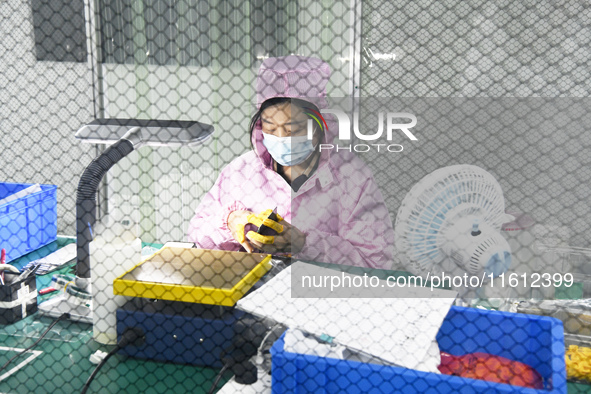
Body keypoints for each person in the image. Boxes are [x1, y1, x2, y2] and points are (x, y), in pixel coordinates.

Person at [188, 55, 394, 269]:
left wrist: (304, 244)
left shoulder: (351, 175)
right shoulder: (242, 172)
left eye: (293, 129)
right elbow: (196, 236)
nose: (281, 138)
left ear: (319, 126)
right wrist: (230, 221)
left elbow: (375, 262)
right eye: (270, 128)